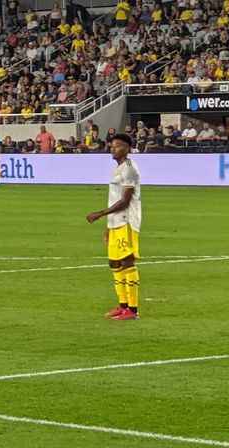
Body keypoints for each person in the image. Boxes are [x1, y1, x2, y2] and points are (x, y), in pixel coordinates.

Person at [86, 133, 142, 320]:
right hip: (116, 223)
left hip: (126, 221)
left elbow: (125, 201)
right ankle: (123, 305)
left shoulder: (129, 169)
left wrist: (99, 214)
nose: (113, 148)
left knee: (127, 261)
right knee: (114, 263)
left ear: (127, 148)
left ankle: (133, 310)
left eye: (117, 146)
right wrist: (108, 226)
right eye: (112, 146)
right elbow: (115, 198)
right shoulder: (118, 169)